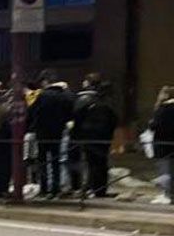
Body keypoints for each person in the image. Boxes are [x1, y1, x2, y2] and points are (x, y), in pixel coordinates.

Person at [27, 70, 75, 198]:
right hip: (58, 131)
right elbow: (71, 108)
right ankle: (55, 188)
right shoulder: (64, 95)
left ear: (45, 82)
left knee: (42, 160)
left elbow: (31, 111)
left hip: (42, 132)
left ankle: (44, 188)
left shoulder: (42, 95)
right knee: (56, 160)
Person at [69, 74, 118, 198]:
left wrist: (76, 133)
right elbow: (114, 118)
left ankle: (88, 188)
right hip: (104, 137)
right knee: (101, 163)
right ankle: (100, 190)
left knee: (91, 163)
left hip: (87, 136)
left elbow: (76, 117)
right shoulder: (106, 100)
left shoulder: (84, 99)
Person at [149, 86, 174, 204]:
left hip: (163, 144)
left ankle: (167, 194)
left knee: (165, 171)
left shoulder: (164, 108)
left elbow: (155, 126)